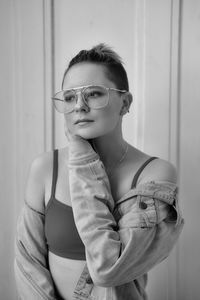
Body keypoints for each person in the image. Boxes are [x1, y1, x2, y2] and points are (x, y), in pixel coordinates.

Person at [14, 43, 184, 300]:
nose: (79, 106)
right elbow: (28, 263)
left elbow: (108, 269)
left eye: (93, 94)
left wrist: (83, 159)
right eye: (69, 97)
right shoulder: (45, 168)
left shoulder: (156, 174)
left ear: (124, 103)